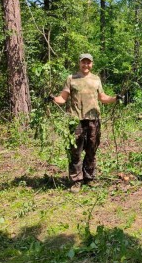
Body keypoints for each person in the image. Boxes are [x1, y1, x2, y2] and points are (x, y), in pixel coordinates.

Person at [50, 53, 122, 192]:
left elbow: (102, 97)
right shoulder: (71, 79)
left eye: (88, 63)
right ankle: (76, 180)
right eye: (83, 62)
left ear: (92, 64)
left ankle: (89, 178)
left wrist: (115, 98)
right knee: (75, 151)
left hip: (93, 120)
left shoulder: (96, 79)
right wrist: (53, 98)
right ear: (79, 63)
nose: (86, 65)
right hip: (75, 120)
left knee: (91, 150)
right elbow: (63, 98)